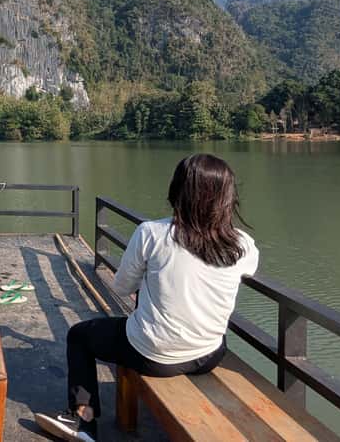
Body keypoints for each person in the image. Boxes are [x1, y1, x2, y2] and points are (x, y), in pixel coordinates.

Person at [36, 154, 259, 442]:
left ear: (177, 191)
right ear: (227, 198)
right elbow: (244, 271)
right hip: (209, 354)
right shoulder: (243, 244)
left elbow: (120, 286)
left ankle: (83, 421)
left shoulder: (152, 233)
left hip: (153, 355)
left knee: (79, 336)